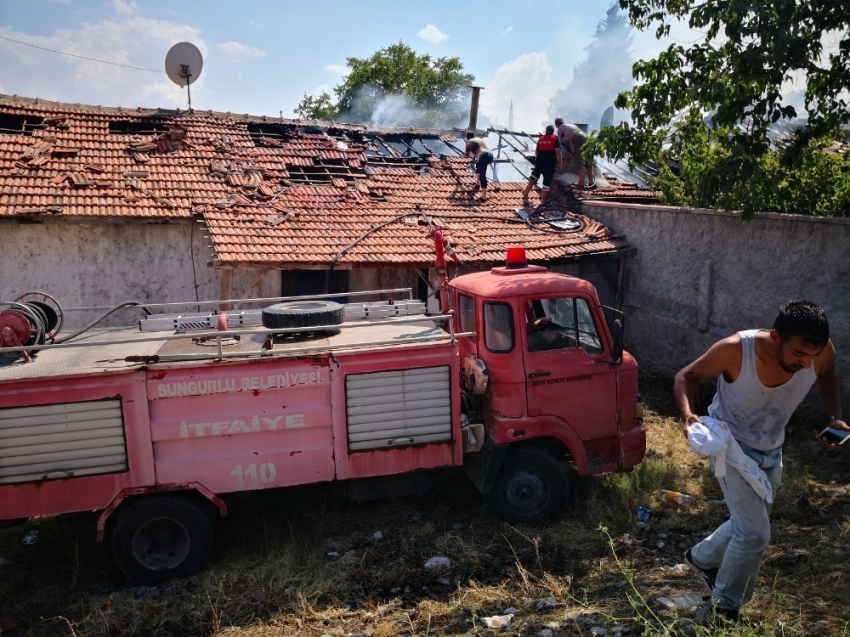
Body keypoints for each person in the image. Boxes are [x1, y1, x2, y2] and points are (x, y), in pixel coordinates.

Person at [673, 300, 848, 622]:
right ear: (774, 337)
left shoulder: (819, 352)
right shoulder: (736, 350)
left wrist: (835, 418)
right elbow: (687, 375)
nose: (806, 361)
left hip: (771, 447)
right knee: (754, 534)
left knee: (749, 523)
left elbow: (828, 375)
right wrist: (688, 416)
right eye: (799, 354)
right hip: (731, 447)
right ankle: (725, 606)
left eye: (813, 354)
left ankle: (700, 557)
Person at [522, 125, 561, 204]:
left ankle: (526, 192)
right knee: (546, 183)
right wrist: (560, 163)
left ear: (546, 131)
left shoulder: (541, 139)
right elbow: (557, 152)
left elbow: (537, 152)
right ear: (553, 131)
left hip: (539, 162)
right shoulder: (555, 139)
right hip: (549, 164)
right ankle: (542, 202)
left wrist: (540, 160)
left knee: (534, 177)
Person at [554, 117, 593, 187]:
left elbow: (558, 143)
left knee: (580, 160)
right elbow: (572, 145)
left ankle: (581, 183)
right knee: (588, 160)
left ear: (556, 124)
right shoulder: (569, 126)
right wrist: (569, 155)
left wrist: (560, 156)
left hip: (579, 137)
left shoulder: (560, 128)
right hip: (586, 136)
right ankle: (591, 181)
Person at [464, 132, 494, 202]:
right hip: (490, 155)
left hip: (483, 156)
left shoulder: (468, 142)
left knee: (482, 176)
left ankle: (484, 197)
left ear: (467, 138)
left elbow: (466, 156)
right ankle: (477, 185)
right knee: (478, 165)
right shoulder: (479, 139)